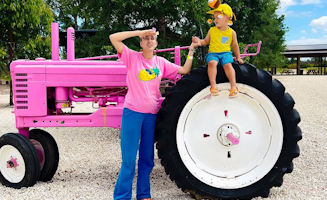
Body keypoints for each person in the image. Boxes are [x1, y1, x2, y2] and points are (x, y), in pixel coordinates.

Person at [109, 29, 199, 200]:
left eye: (152, 38)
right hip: (133, 113)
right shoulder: (132, 57)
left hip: (151, 115)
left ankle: (144, 194)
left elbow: (185, 70)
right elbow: (113, 38)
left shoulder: (161, 63)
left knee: (147, 159)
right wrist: (139, 32)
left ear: (156, 43)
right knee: (128, 160)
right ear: (141, 43)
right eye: (146, 38)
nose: (149, 40)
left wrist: (192, 50)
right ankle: (121, 197)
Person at [193, 3, 244, 98]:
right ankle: (213, 86)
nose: (215, 20)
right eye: (214, 17)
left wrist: (238, 57)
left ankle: (233, 87)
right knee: (212, 63)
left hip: (226, 53)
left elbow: (235, 46)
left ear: (227, 19)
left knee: (228, 65)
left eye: (218, 17)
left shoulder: (231, 32)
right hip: (213, 53)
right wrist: (198, 41)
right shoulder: (212, 30)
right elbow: (205, 41)